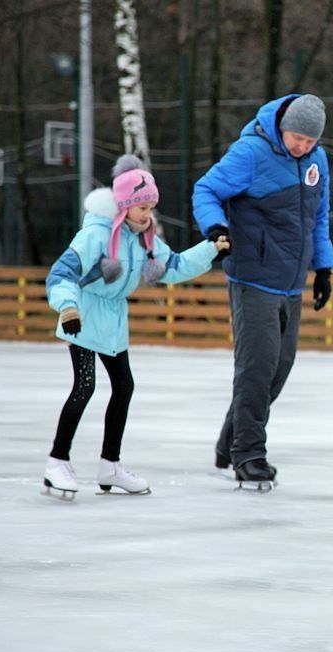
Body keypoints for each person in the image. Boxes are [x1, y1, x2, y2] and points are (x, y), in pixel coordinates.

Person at [43, 154, 230, 499]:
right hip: (82, 318)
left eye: (151, 207)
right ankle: (57, 461)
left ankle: (109, 465)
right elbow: (60, 274)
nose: (148, 215)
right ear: (124, 205)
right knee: (84, 388)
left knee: (124, 386)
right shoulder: (95, 235)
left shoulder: (143, 239)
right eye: (142, 207)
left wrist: (209, 250)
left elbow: (172, 266)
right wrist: (68, 307)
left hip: (114, 321)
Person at [191, 93, 333, 492]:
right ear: (282, 126)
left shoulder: (316, 160)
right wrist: (217, 229)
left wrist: (323, 267)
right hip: (253, 276)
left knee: (279, 367)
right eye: (297, 139)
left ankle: (228, 444)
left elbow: (318, 217)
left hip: (292, 280)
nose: (302, 147)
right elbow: (205, 190)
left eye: (310, 142)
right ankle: (249, 455)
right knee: (256, 368)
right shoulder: (251, 152)